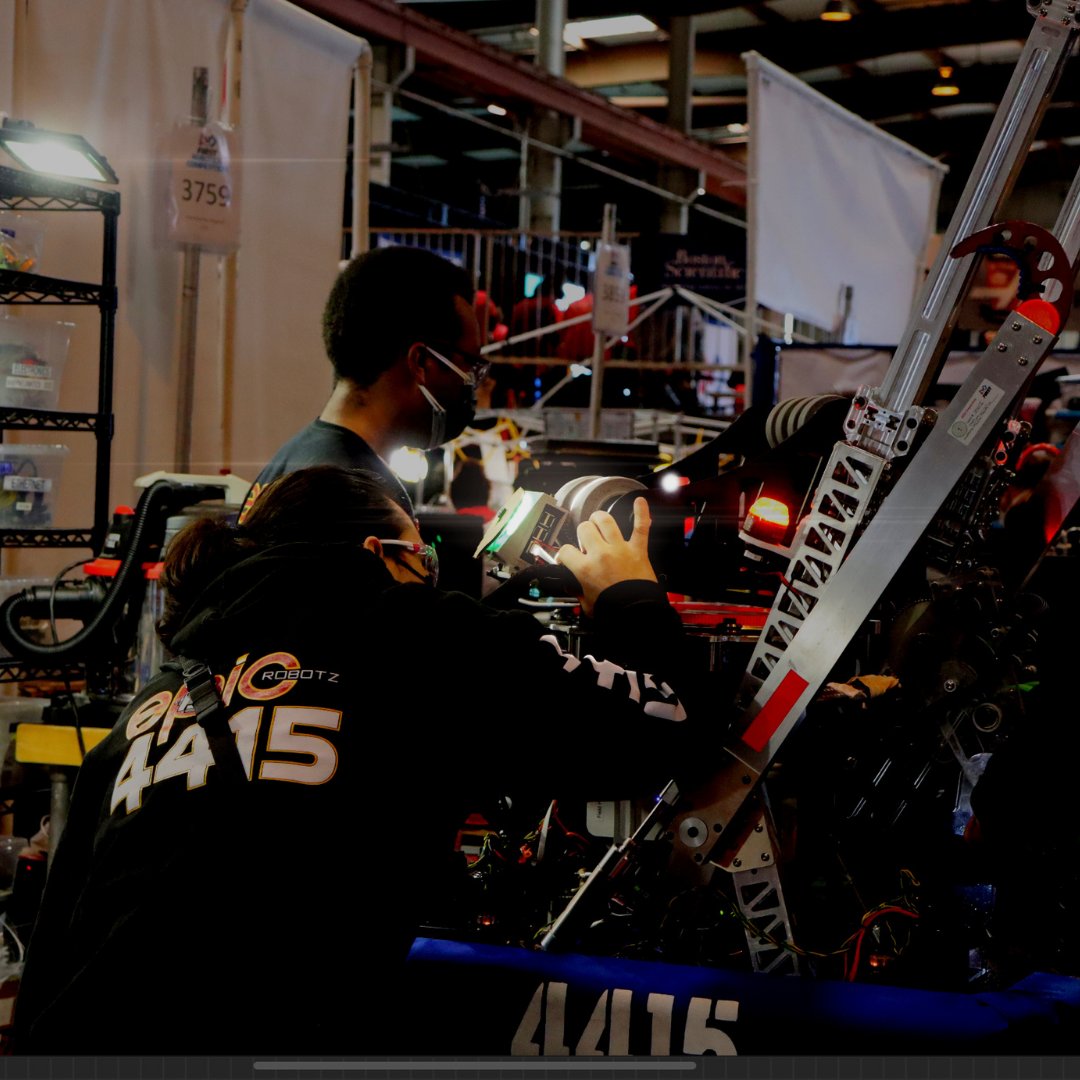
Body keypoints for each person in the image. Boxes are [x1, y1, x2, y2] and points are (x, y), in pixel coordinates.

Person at [11, 465, 703, 1055]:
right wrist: (627, 594)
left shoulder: (150, 709)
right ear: (382, 553)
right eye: (424, 560)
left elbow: (50, 954)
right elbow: (664, 722)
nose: (432, 581)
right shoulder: (417, 637)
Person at [239, 245, 486, 523]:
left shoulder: (293, 461)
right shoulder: (362, 500)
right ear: (420, 362)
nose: (472, 384)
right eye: (469, 366)